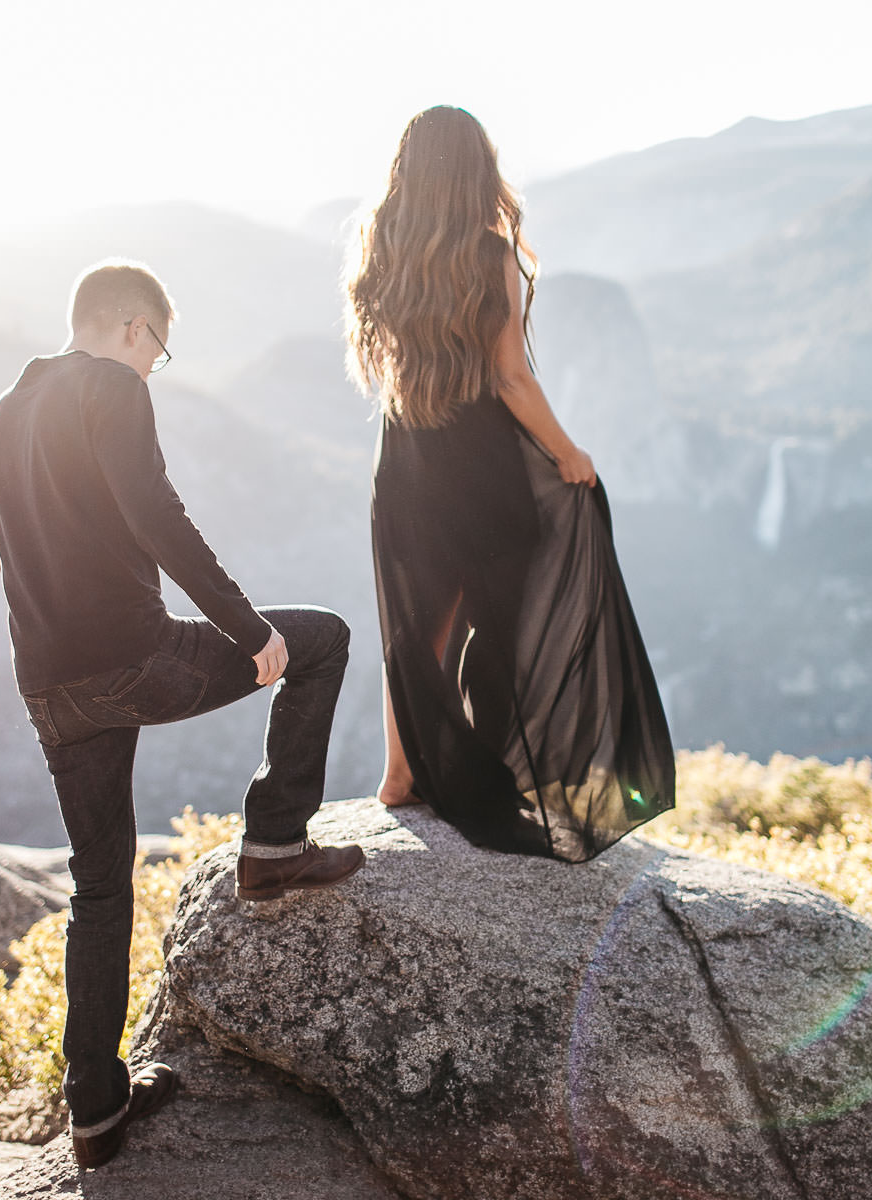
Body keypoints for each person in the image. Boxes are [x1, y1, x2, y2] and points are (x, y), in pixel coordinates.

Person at [0, 260, 365, 1169]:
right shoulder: (112, 385)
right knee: (325, 640)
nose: (156, 368)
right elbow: (156, 513)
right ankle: (274, 843)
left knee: (100, 889)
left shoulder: (4, 410)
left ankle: (97, 1110)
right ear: (131, 329)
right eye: (159, 349)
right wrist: (250, 628)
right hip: (135, 660)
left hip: (48, 682)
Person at [347, 107, 676, 863]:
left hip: (403, 457)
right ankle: (494, 773)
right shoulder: (488, 252)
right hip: (479, 461)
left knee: (417, 626)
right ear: (476, 170)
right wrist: (569, 454)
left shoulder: (382, 244)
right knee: (499, 625)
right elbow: (511, 377)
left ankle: (401, 773)